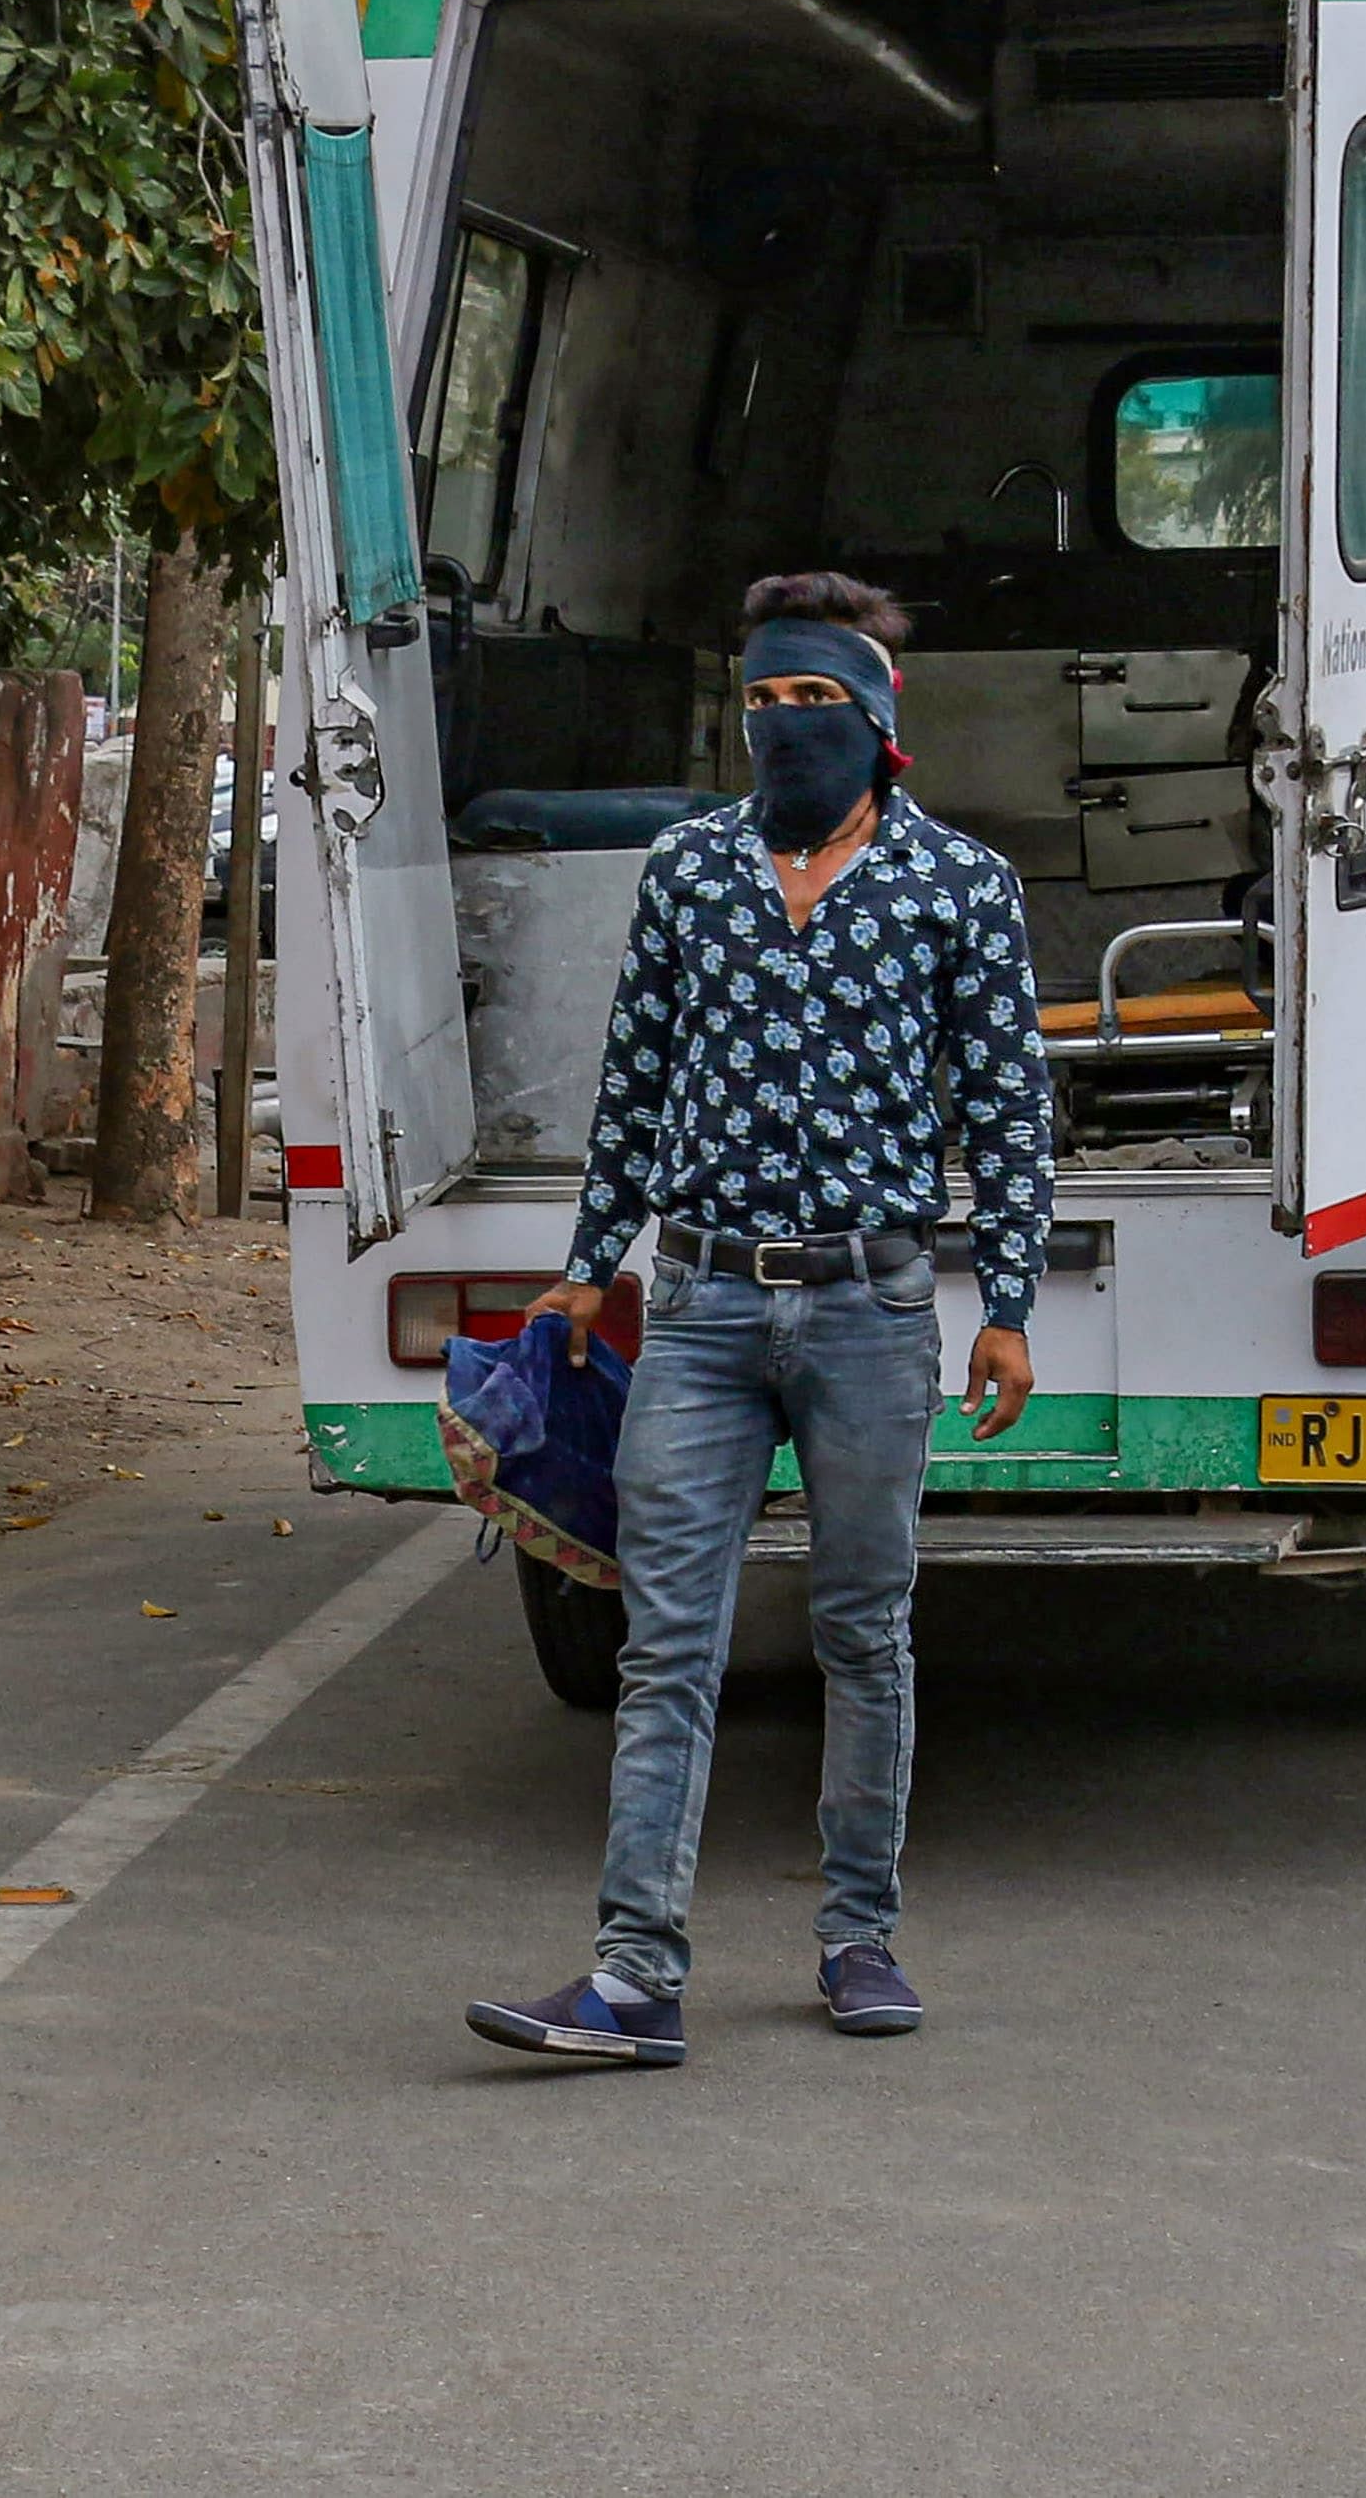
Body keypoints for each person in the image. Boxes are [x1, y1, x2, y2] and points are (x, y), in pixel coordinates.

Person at [464, 573, 1051, 2066]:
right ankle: (633, 1970)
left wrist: (1011, 1303)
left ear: (876, 722)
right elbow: (635, 1079)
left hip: (871, 1307)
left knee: (865, 1628)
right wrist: (591, 1263)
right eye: (763, 701)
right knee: (667, 1639)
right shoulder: (689, 872)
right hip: (708, 1302)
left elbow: (1009, 1109)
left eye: (814, 703)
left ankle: (859, 1931)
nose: (783, 728)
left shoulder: (960, 888)